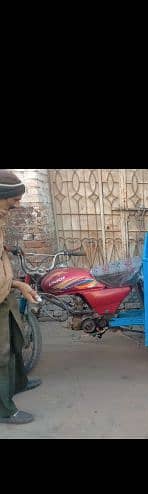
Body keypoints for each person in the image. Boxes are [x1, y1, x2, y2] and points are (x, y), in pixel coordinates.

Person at [0, 170, 42, 426]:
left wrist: (16, 285)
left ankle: (18, 383)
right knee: (1, 353)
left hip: (5, 292)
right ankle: (5, 409)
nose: (17, 204)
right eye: (12, 199)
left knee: (17, 338)